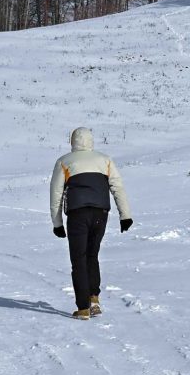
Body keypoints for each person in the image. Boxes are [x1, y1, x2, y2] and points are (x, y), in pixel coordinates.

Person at [49, 127, 132, 320]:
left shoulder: (64, 161)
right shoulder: (105, 160)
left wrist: (57, 223)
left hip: (77, 215)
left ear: (72, 141)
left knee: (79, 259)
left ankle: (83, 308)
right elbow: (117, 187)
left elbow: (56, 194)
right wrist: (125, 215)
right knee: (92, 255)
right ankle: (94, 300)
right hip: (100, 213)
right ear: (91, 141)